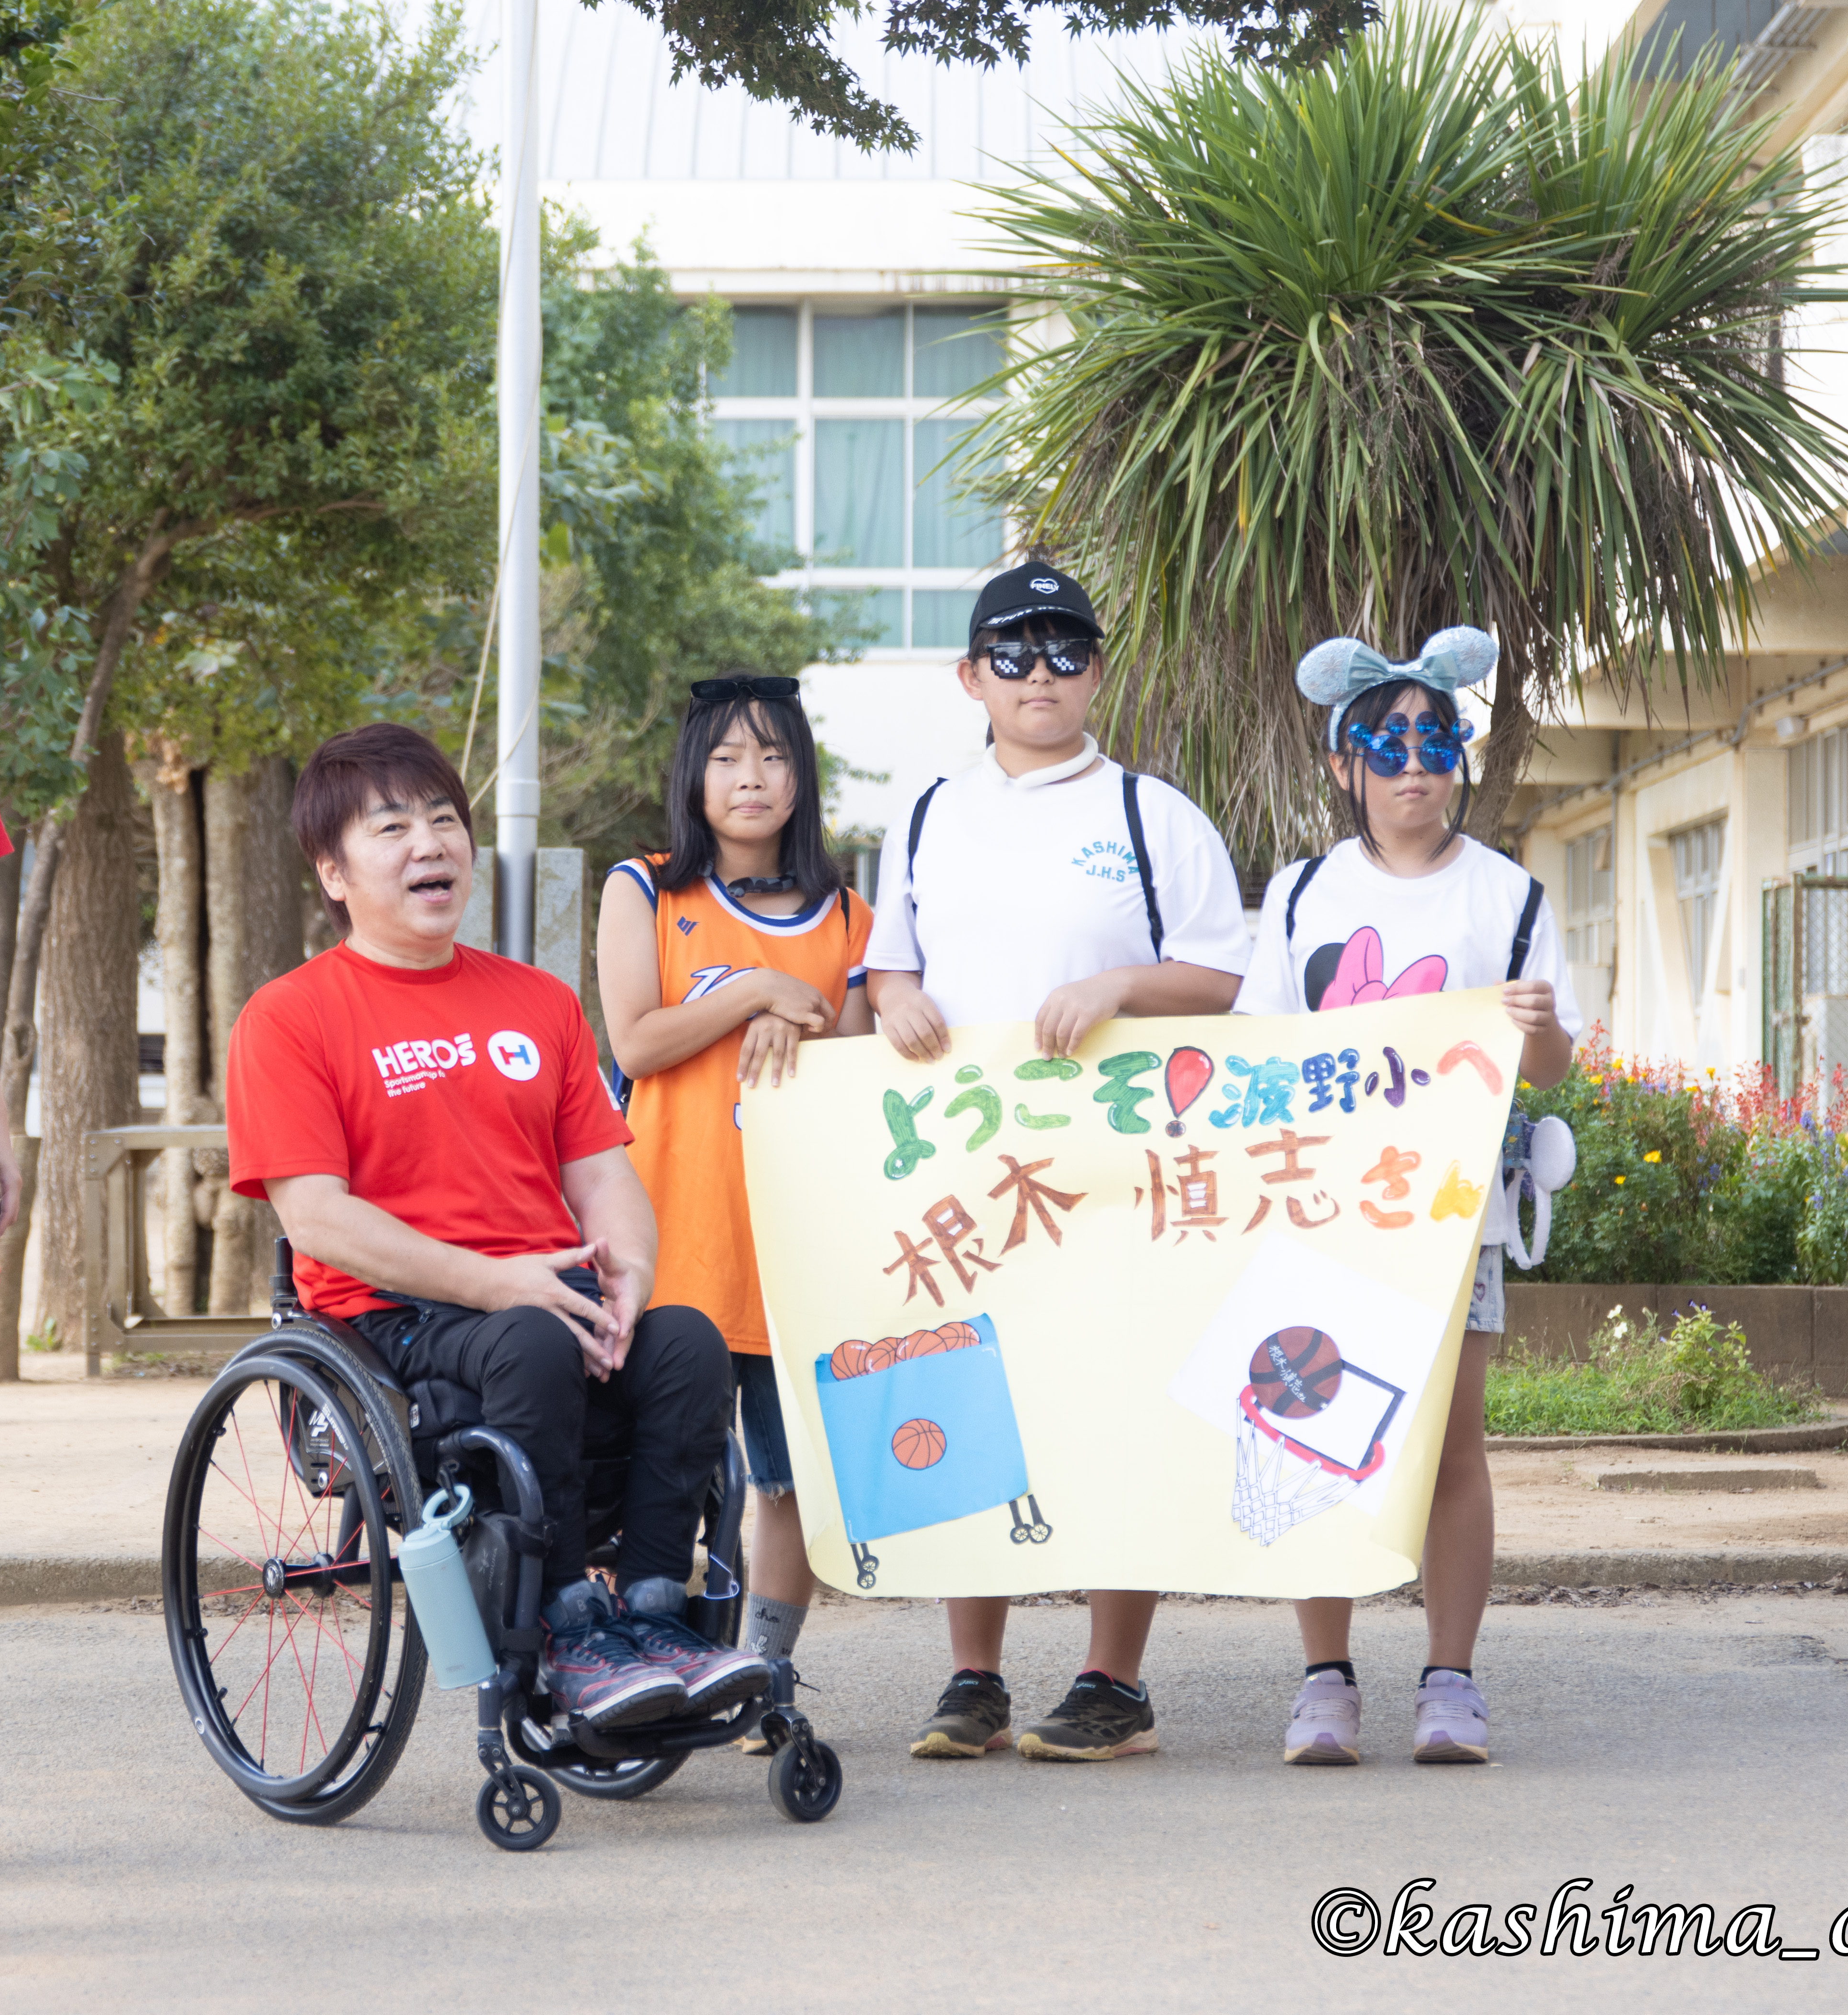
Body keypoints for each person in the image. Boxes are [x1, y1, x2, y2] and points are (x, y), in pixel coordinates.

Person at [228, 722, 770, 1728]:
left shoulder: (535, 1002)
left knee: (688, 1340)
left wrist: (630, 1282)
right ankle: (561, 1627)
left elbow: (604, 1176)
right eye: (392, 827)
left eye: (444, 820)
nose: (430, 844)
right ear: (332, 870)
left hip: (545, 1299)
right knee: (529, 1334)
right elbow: (318, 1219)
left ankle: (655, 1614)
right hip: (397, 1319)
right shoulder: (289, 1017)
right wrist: (505, 1283)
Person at [866, 561, 1249, 1764]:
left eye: (1067, 651)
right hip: (968, 1174)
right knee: (963, 1399)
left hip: (1117, 1172)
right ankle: (971, 1675)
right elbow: (889, 963)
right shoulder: (927, 810)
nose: (1043, 675)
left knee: (1116, 1406)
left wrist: (1120, 984)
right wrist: (898, 999)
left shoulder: (1152, 813)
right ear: (970, 675)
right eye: (1015, 654)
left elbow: (1227, 978)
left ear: (1100, 667)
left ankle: (1111, 1680)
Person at [1236, 627, 1576, 1768]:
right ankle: (1325, 1680)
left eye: (1436, 742)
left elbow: (1553, 1069)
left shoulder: (1510, 894)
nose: (1414, 766)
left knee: (1450, 1444)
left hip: (1452, 1210)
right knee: (1313, 1429)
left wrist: (1541, 1035)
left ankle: (1451, 1679)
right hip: (1318, 1208)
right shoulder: (1298, 896)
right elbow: (1256, 1053)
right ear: (1346, 767)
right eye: (1387, 747)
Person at [594, 674, 867, 1744]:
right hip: (671, 1227)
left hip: (797, 1244)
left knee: (786, 1474)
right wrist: (756, 991)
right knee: (657, 1456)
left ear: (802, 777)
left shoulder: (849, 915)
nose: (750, 778)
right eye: (726, 758)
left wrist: (808, 1023)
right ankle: (635, 1646)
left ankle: (763, 1667)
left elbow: (856, 1060)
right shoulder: (646, 889)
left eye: (773, 757)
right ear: (692, 776)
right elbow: (637, 1041)